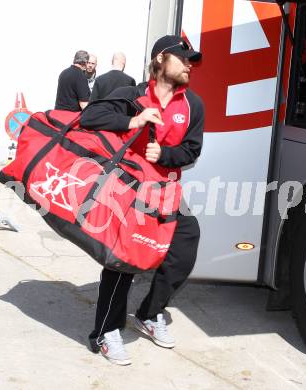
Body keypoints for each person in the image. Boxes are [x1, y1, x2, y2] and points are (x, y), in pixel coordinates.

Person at [80, 35, 204, 366]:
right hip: (130, 189)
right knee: (123, 261)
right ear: (161, 59)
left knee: (185, 246)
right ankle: (106, 332)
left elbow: (191, 151)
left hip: (165, 191)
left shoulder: (193, 105)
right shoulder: (132, 95)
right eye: (184, 58)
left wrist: (165, 153)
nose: (190, 63)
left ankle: (148, 314)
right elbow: (89, 118)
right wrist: (132, 121)